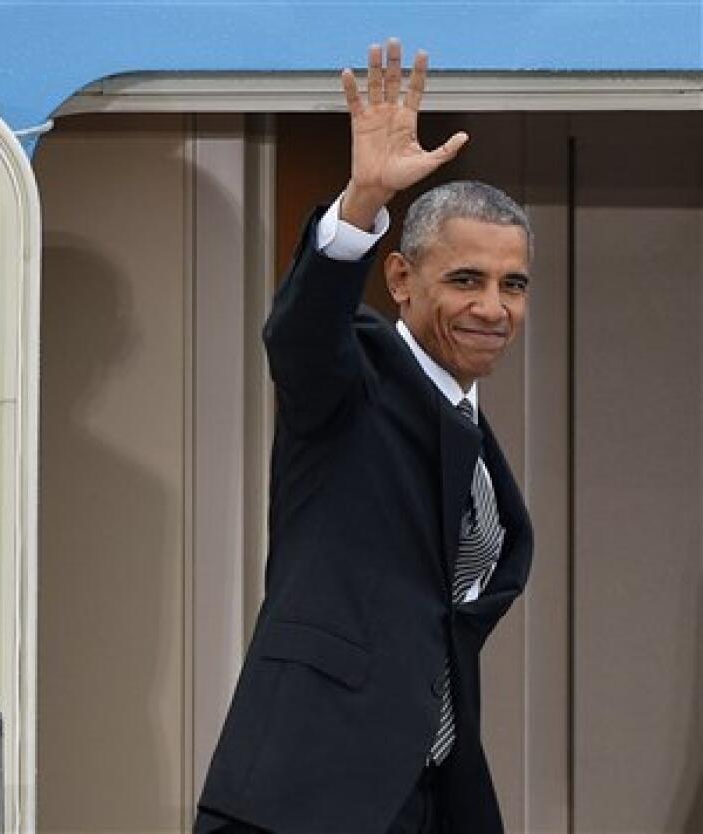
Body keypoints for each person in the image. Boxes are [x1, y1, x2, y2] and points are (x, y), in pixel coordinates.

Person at [195, 39, 534, 834]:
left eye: (511, 285)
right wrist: (359, 208)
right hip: (304, 790)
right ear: (403, 279)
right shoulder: (359, 375)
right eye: (466, 279)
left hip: (425, 794)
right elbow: (301, 336)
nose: (493, 306)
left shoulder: (472, 431)